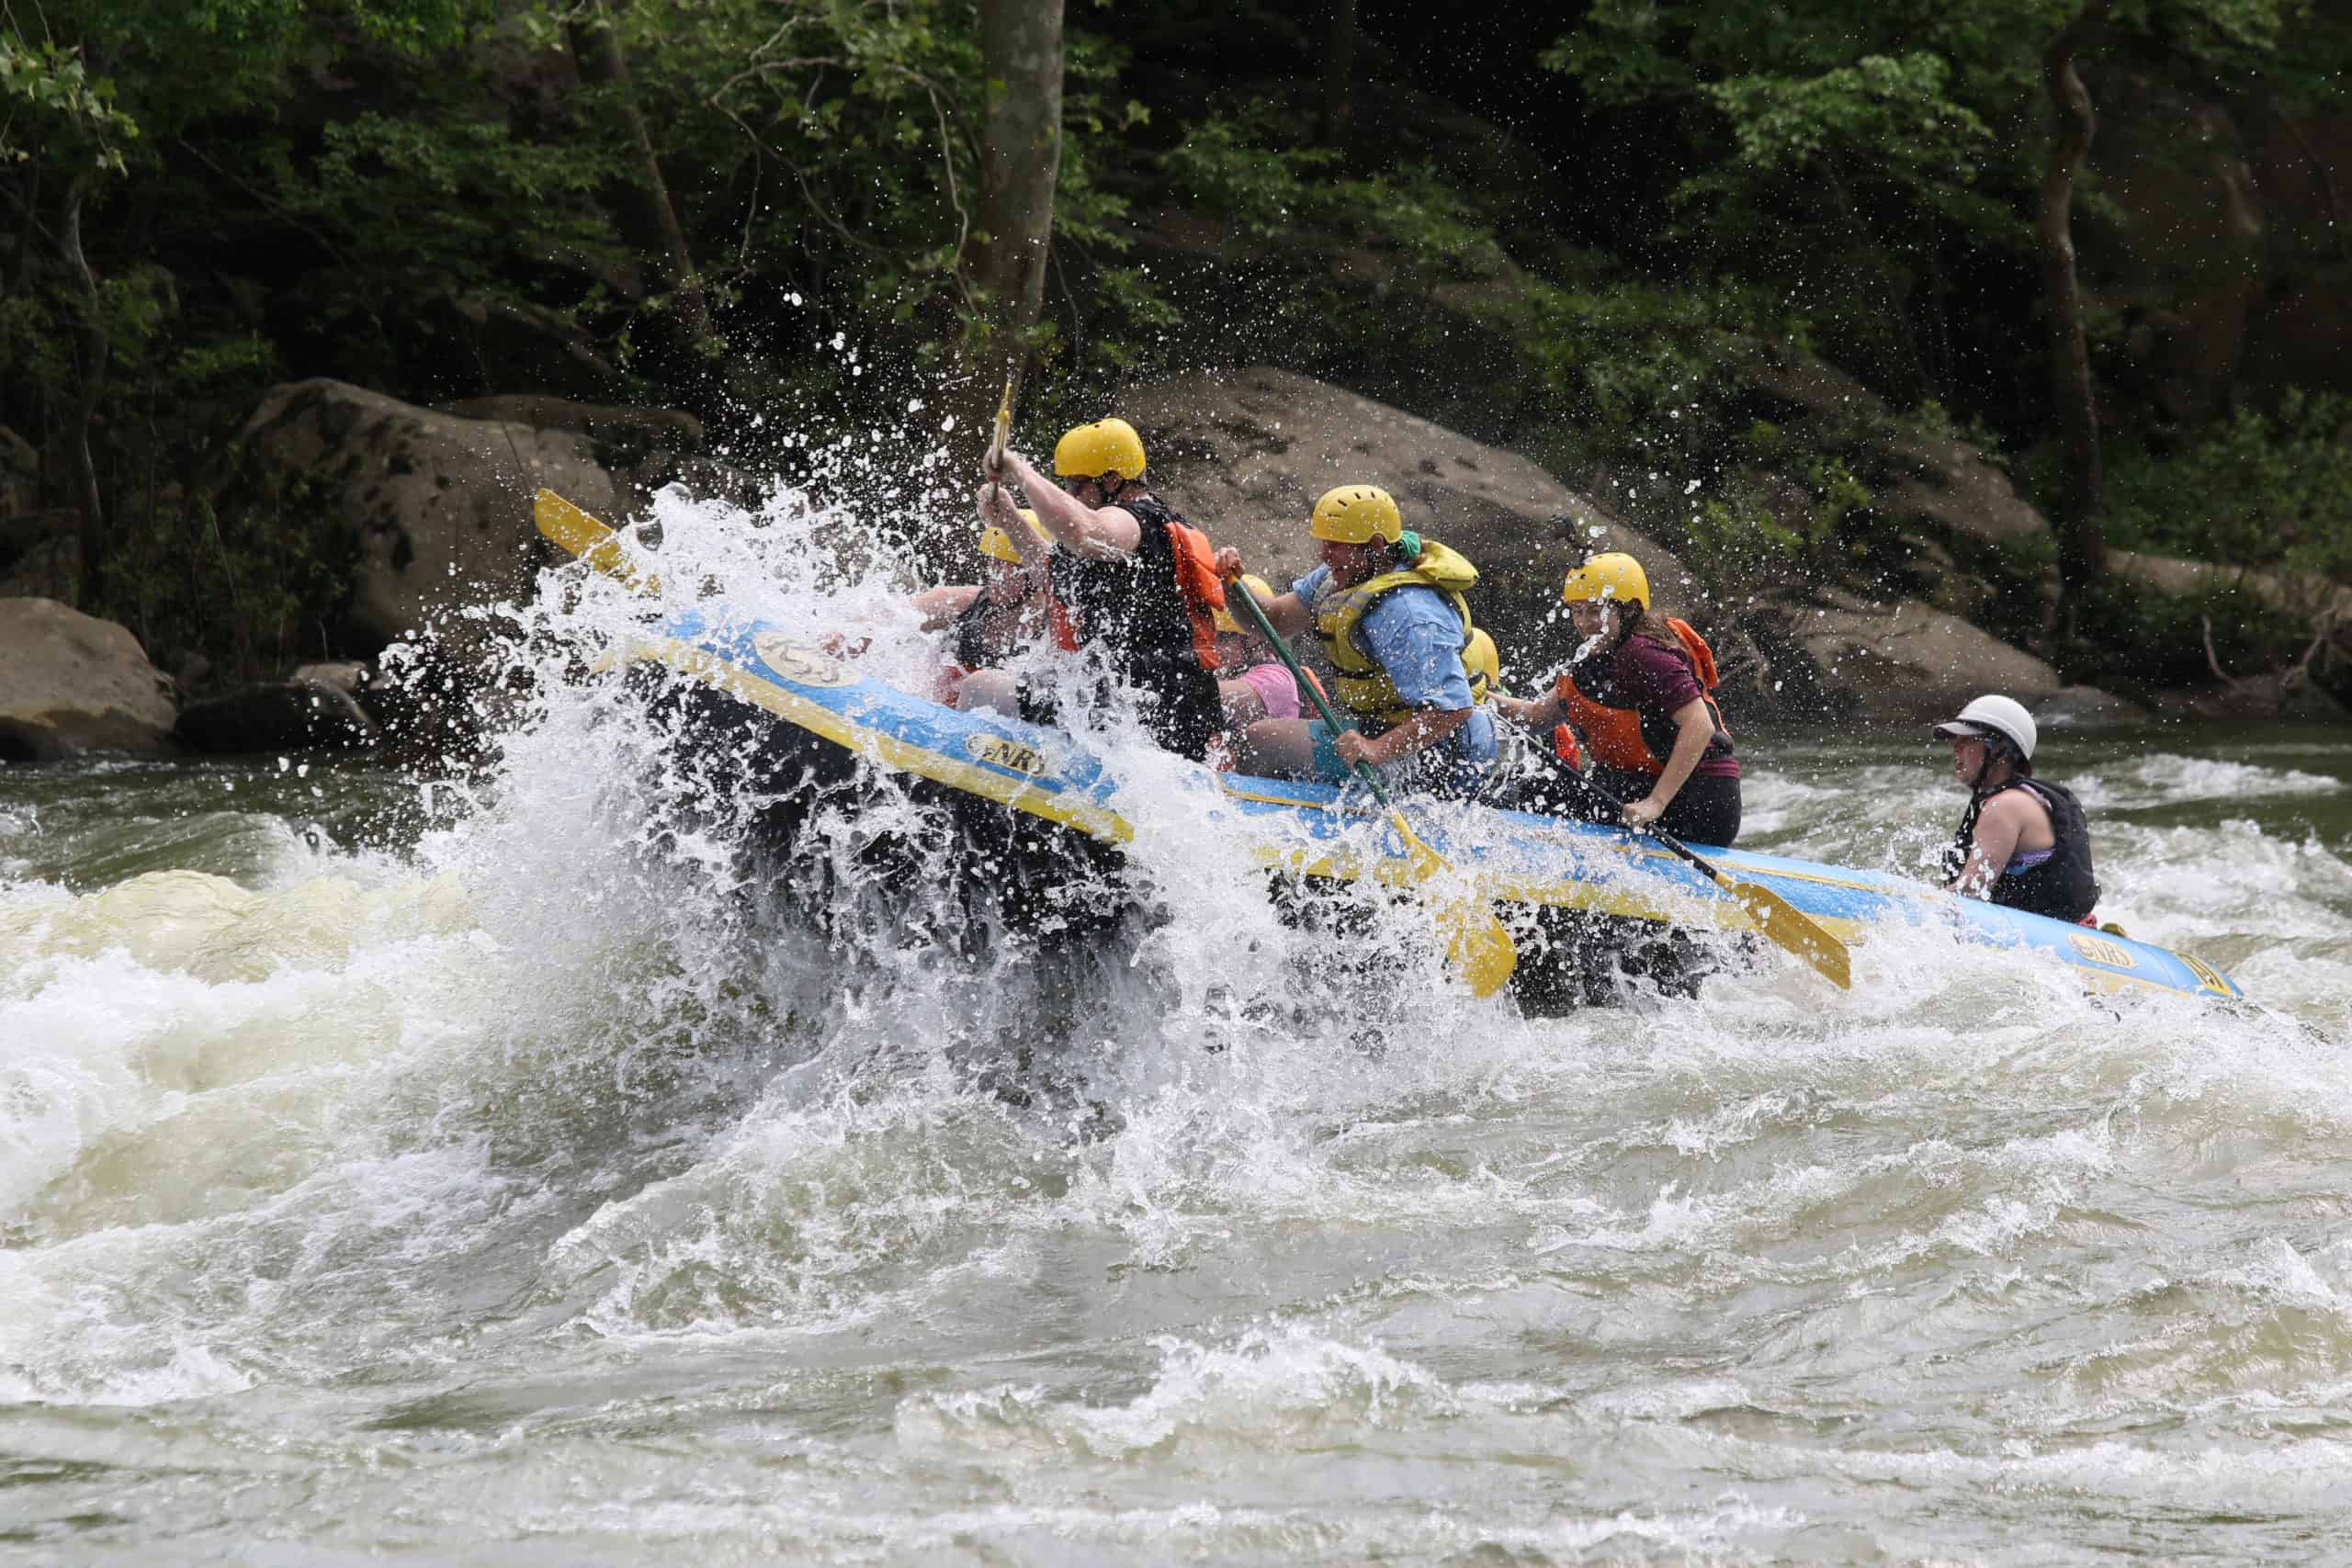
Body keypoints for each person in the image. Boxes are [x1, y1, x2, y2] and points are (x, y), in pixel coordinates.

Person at [975, 417, 1228, 762]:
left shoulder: (1135, 522)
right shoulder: (1125, 538)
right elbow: (1055, 578)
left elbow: (1082, 530)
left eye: (1075, 485)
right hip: (1137, 706)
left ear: (1112, 480)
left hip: (1153, 713)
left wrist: (1020, 471)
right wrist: (1009, 519)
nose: (1069, 494)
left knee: (982, 688)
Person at [1227, 484, 1497, 798]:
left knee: (1262, 740)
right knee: (1263, 738)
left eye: (1336, 545)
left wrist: (1376, 749)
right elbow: (1270, 620)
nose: (1324, 554)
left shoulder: (1410, 614)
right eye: (1325, 542)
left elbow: (1454, 709)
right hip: (1389, 729)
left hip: (1445, 751)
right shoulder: (1338, 578)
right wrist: (1232, 584)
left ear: (1377, 545)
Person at [1492, 551, 1742, 847]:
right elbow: (1535, 717)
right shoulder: (1594, 659)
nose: (1584, 623)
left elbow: (1699, 726)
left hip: (1699, 801)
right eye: (1577, 610)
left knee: (1532, 793)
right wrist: (1478, 698)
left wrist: (1655, 803)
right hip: (1639, 785)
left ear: (1629, 610)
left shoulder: (1645, 655)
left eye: (1595, 611)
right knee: (1528, 789)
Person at [1933, 694, 2100, 923]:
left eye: (1967, 740)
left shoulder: (2006, 806)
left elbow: (1970, 893)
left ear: (1999, 749)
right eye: (1955, 740)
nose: (1956, 748)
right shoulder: (2021, 799)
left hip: (2050, 937)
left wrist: (1913, 902)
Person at [915, 505, 1079, 708]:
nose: (995, 573)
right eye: (993, 562)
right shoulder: (961, 602)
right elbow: (889, 616)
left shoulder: (1052, 634)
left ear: (1035, 574)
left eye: (1007, 566)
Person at [1211, 573, 1305, 728]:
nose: (1215, 647)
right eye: (1211, 637)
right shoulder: (1230, 671)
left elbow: (1211, 695)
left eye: (1223, 638)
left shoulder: (1276, 679)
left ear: (1254, 636)